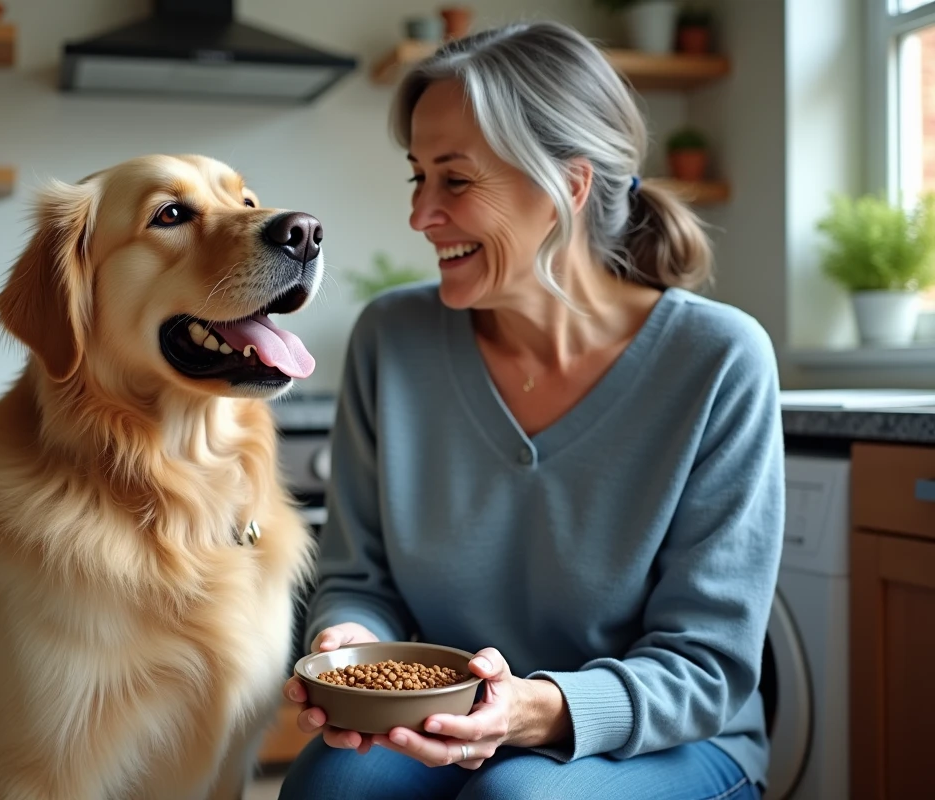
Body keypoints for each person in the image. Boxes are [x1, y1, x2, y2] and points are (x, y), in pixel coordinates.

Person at [277, 19, 784, 800]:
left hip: (669, 741)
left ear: (567, 187)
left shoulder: (718, 360)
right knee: (334, 784)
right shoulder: (393, 340)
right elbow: (359, 579)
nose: (420, 215)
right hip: (452, 717)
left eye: (455, 180)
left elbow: (705, 664)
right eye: (418, 178)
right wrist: (349, 645)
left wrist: (530, 712)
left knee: (515, 797)